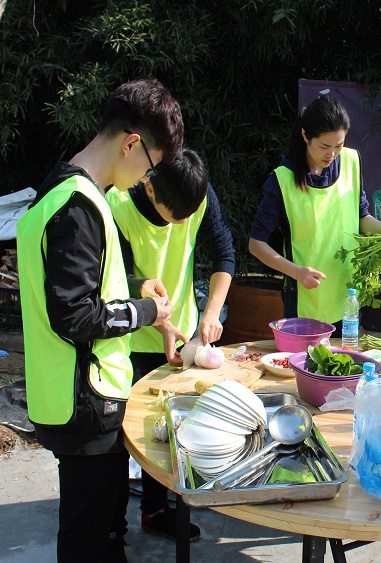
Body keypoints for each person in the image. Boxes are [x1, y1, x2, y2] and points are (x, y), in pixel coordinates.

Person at [16, 78, 183, 562]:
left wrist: (134, 289)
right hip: (84, 401)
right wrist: (145, 312)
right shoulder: (80, 206)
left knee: (102, 529)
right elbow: (72, 314)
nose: (146, 180)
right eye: (150, 166)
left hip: (73, 396)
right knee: (86, 538)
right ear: (132, 143)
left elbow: (72, 285)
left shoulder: (58, 190)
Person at [107, 148, 235, 541]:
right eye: (174, 215)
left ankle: (156, 509)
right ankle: (112, 525)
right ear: (149, 186)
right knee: (124, 435)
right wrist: (151, 312)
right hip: (128, 337)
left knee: (169, 429)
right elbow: (112, 278)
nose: (182, 222)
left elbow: (225, 255)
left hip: (183, 336)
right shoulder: (117, 204)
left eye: (187, 215)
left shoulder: (197, 195)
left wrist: (211, 313)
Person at [248, 95, 381, 331]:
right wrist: (296, 272)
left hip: (348, 295)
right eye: (324, 146)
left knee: (342, 364)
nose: (332, 154)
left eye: (339, 145)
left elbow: (362, 217)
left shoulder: (351, 161)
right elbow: (256, 244)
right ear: (305, 136)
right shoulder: (282, 180)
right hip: (305, 298)